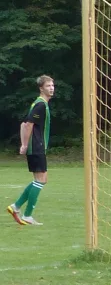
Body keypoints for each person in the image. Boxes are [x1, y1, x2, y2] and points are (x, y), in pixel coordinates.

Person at [6, 75, 55, 226]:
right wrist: (25, 145)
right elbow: (27, 125)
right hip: (36, 146)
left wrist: (24, 144)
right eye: (48, 86)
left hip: (36, 146)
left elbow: (23, 124)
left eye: (52, 85)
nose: (51, 88)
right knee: (41, 180)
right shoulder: (40, 105)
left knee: (40, 179)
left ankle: (16, 207)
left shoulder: (39, 104)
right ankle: (27, 215)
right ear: (41, 88)